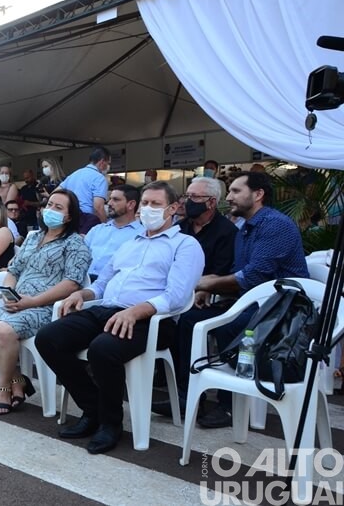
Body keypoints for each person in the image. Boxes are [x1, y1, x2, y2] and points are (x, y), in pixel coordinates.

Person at [35, 181, 204, 454]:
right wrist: (83, 294)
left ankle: (110, 424)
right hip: (108, 310)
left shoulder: (185, 245)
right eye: (146, 203)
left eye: (156, 204)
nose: (148, 209)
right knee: (49, 338)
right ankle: (93, 410)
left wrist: (136, 311)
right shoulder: (130, 243)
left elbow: (176, 296)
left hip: (151, 320)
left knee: (103, 349)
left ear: (173, 208)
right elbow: (102, 283)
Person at [181, 171, 309, 428]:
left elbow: (253, 276)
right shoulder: (245, 228)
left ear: (258, 194)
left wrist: (206, 282)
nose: (229, 197)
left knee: (231, 326)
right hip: (253, 302)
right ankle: (189, 397)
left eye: (236, 191)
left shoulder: (275, 224)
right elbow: (241, 278)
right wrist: (211, 290)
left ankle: (230, 406)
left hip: (281, 310)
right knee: (187, 320)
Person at [0, 189, 91, 416]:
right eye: (49, 205)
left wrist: (32, 301)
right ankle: (18, 380)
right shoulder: (33, 237)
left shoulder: (76, 244)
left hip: (45, 307)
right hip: (17, 303)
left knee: (4, 331)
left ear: (68, 216)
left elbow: (72, 284)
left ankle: (3, 388)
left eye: (58, 207)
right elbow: (14, 270)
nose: (50, 210)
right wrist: (9, 292)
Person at [151, 177, 238, 418]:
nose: (187, 201)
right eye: (186, 195)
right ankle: (163, 378)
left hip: (210, 296)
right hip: (175, 290)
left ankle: (186, 396)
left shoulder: (226, 232)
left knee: (188, 321)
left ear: (211, 202)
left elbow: (222, 272)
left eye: (194, 197)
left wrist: (203, 288)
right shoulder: (182, 226)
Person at [83, 184, 143, 281]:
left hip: (111, 286)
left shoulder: (141, 235)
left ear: (131, 204)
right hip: (81, 281)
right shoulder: (97, 229)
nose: (109, 203)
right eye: (110, 199)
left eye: (116, 200)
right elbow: (79, 256)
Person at [59, 146, 110, 222]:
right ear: (102, 162)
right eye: (108, 163)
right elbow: (98, 208)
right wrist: (104, 227)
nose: (109, 167)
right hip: (86, 220)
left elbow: (55, 193)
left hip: (69, 218)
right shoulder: (100, 178)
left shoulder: (74, 174)